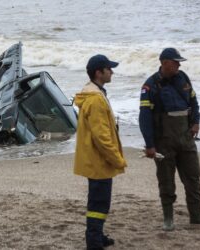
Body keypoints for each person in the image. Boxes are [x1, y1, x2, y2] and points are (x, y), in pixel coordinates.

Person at [139, 48, 200, 231]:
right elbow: (144, 117)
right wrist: (149, 145)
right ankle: (168, 218)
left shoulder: (183, 78)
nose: (179, 65)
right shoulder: (150, 85)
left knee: (193, 177)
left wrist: (195, 122)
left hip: (186, 137)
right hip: (163, 140)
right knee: (166, 180)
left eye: (179, 62)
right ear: (164, 63)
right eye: (176, 62)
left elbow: (194, 103)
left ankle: (196, 216)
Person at [74, 55, 127, 250]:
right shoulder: (95, 99)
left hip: (94, 159)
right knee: (99, 204)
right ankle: (94, 242)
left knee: (98, 201)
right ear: (99, 72)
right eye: (108, 68)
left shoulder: (94, 94)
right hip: (99, 160)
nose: (112, 71)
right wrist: (117, 159)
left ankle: (97, 236)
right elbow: (102, 136)